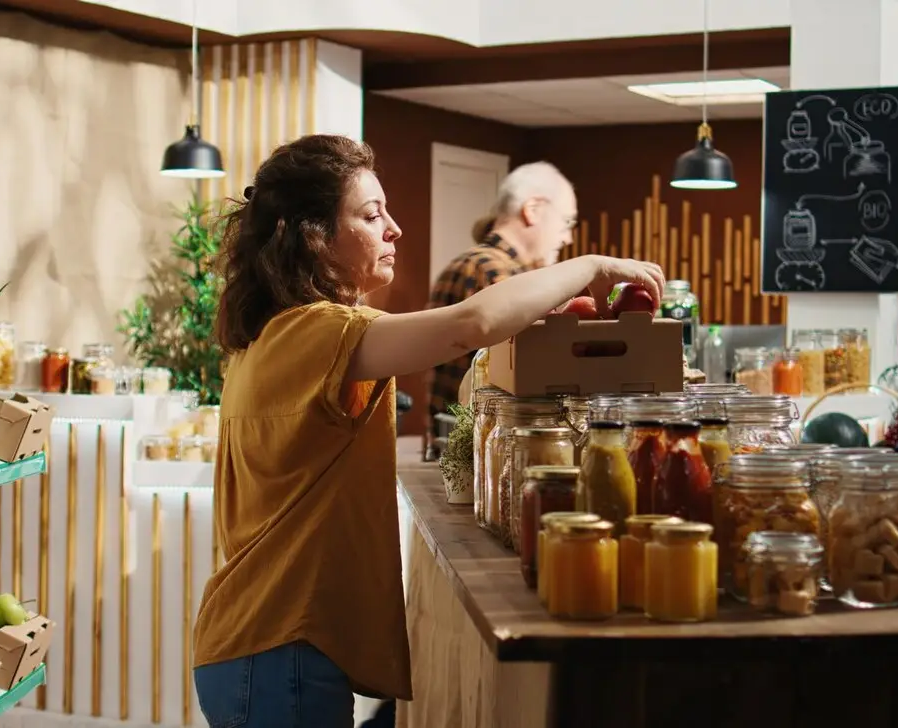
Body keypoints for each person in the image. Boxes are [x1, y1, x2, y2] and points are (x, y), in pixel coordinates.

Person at [192, 134, 663, 728]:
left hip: (268, 642)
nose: (394, 229)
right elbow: (471, 324)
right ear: (313, 235)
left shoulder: (280, 334)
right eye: (371, 215)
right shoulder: (312, 331)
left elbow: (474, 354)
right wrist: (589, 267)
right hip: (275, 646)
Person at [426, 162, 579, 423]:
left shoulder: (477, 262)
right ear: (532, 210)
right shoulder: (494, 272)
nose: (568, 238)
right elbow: (538, 368)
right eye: (566, 222)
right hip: (485, 437)